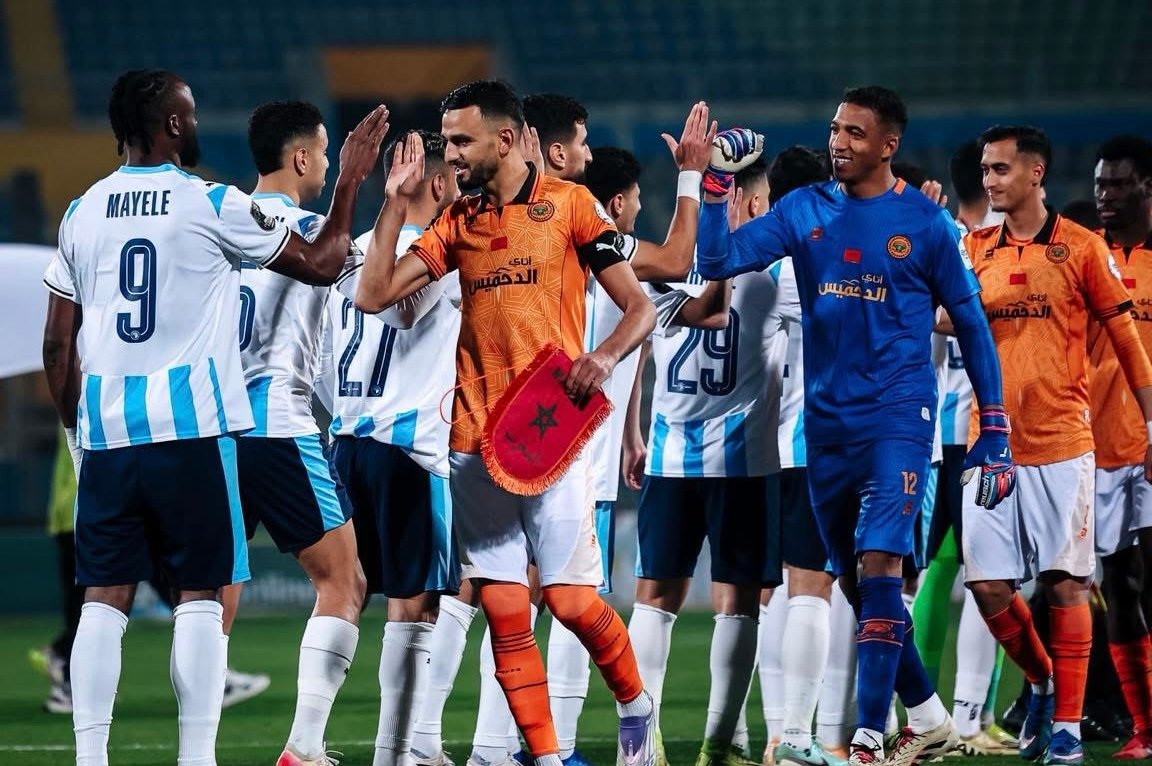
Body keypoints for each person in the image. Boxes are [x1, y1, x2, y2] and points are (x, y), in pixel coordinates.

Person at [40, 68, 388, 766]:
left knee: (102, 599)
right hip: (193, 433)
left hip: (108, 435)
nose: (197, 124)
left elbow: (57, 344)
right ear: (172, 124)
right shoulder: (206, 202)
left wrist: (80, 430)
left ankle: (90, 757)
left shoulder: (81, 211)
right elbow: (324, 262)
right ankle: (196, 757)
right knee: (201, 598)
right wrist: (352, 178)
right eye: (190, 114)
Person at [695, 86, 1015, 766]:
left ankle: (869, 737)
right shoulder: (805, 209)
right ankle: (928, 718)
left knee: (878, 567)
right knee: (854, 582)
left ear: (889, 144)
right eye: (836, 129)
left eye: (855, 133)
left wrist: (994, 426)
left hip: (900, 419)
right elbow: (717, 263)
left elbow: (972, 324)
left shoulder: (925, 224)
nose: (838, 142)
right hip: (826, 426)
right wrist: (715, 186)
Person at [354, 79, 658, 766]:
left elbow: (639, 309)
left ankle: (636, 704)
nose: (452, 154)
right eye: (447, 142)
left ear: (509, 138)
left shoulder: (571, 205)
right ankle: (545, 758)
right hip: (474, 440)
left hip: (552, 436)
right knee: (504, 612)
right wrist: (395, 203)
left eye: (462, 140)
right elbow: (372, 294)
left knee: (572, 602)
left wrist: (604, 357)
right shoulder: (457, 222)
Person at [961, 125, 1152, 766]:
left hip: (1064, 442)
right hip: (989, 444)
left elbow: (1127, 342)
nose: (989, 180)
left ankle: (1067, 727)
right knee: (988, 587)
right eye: (985, 170)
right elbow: (943, 316)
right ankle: (1042, 682)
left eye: (1000, 169)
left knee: (1067, 583)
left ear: (1035, 173)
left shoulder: (1082, 247)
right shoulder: (972, 248)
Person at [628, 153, 796, 766]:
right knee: (739, 604)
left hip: (669, 459)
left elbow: (640, 348)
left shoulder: (659, 268)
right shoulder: (774, 277)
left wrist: (631, 432)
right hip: (744, 465)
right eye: (766, 204)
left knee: (653, 598)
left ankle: (639, 744)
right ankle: (720, 746)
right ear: (749, 204)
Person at [228, 100, 368, 766]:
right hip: (278, 426)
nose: (331, 163)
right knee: (344, 583)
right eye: (327, 151)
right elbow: (377, 296)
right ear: (302, 156)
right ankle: (304, 747)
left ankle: (195, 751)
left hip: (215, 429)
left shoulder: (219, 227)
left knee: (212, 595)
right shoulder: (316, 234)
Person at [321, 128, 463, 766]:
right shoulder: (440, 251)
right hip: (408, 449)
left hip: (348, 440)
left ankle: (309, 738)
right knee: (414, 607)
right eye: (453, 172)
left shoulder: (352, 251)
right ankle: (395, 754)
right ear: (437, 181)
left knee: (344, 595)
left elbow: (322, 357)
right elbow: (402, 312)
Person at [1088, 134, 1152, 760]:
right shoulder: (1087, 256)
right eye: (1100, 184)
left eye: (1118, 184)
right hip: (1100, 449)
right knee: (1119, 585)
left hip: (1150, 446)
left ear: (1147, 188)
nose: (1105, 195)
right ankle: (1143, 725)